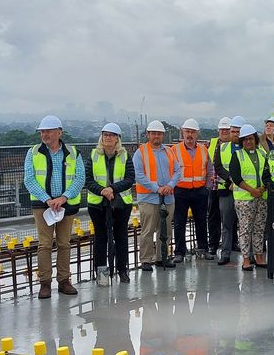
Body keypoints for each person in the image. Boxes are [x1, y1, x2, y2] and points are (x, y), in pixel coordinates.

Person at [24, 115, 86, 299]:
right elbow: (29, 179)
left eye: (48, 131)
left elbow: (79, 178)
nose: (44, 134)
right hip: (43, 206)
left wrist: (64, 197)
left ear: (59, 132)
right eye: (42, 131)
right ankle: (44, 283)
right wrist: (47, 199)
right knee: (44, 244)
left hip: (65, 205)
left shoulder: (73, 152)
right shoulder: (33, 153)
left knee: (64, 243)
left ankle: (64, 280)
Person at [85, 122, 135, 286]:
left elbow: (129, 178)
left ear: (117, 139)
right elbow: (88, 179)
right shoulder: (93, 155)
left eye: (112, 135)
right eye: (105, 135)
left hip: (121, 203)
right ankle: (101, 273)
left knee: (121, 237)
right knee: (101, 238)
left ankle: (122, 270)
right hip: (98, 204)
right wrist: (102, 191)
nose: (108, 138)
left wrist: (112, 189)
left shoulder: (125, 155)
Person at [134, 120, 182, 271]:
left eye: (159, 134)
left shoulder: (169, 151)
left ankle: (162, 257)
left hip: (167, 197)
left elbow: (177, 171)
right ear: (148, 134)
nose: (157, 136)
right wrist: (156, 188)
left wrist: (170, 185)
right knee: (148, 230)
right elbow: (139, 175)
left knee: (166, 230)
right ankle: (146, 260)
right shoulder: (140, 152)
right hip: (148, 198)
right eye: (154, 133)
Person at [172, 118, 214, 263]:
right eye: (187, 132)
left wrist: (207, 187)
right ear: (183, 132)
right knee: (179, 223)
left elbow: (210, 169)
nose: (190, 135)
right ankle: (179, 252)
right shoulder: (174, 150)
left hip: (200, 191)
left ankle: (203, 249)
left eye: (193, 132)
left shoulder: (203, 149)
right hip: (180, 191)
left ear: (197, 134)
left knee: (201, 221)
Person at [229, 125, 268, 270]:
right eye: (245, 140)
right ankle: (246, 259)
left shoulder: (263, 154)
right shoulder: (237, 156)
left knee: (259, 228)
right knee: (245, 229)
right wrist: (252, 190)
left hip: (261, 197)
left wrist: (262, 189)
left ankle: (259, 256)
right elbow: (236, 177)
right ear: (241, 142)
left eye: (250, 139)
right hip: (245, 199)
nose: (248, 142)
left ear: (255, 139)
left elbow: (267, 174)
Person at [214, 116, 245, 265]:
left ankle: (248, 254)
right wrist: (231, 180)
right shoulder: (222, 147)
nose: (235, 134)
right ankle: (225, 254)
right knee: (226, 223)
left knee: (245, 225)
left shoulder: (249, 149)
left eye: (238, 132)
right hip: (227, 191)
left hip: (245, 192)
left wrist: (240, 182)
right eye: (233, 131)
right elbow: (218, 167)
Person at [207, 117, 231, 256]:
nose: (224, 132)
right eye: (222, 129)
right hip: (214, 185)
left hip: (227, 185)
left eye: (227, 130)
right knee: (213, 216)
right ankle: (213, 245)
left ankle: (231, 244)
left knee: (229, 217)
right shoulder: (213, 143)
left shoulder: (234, 145)